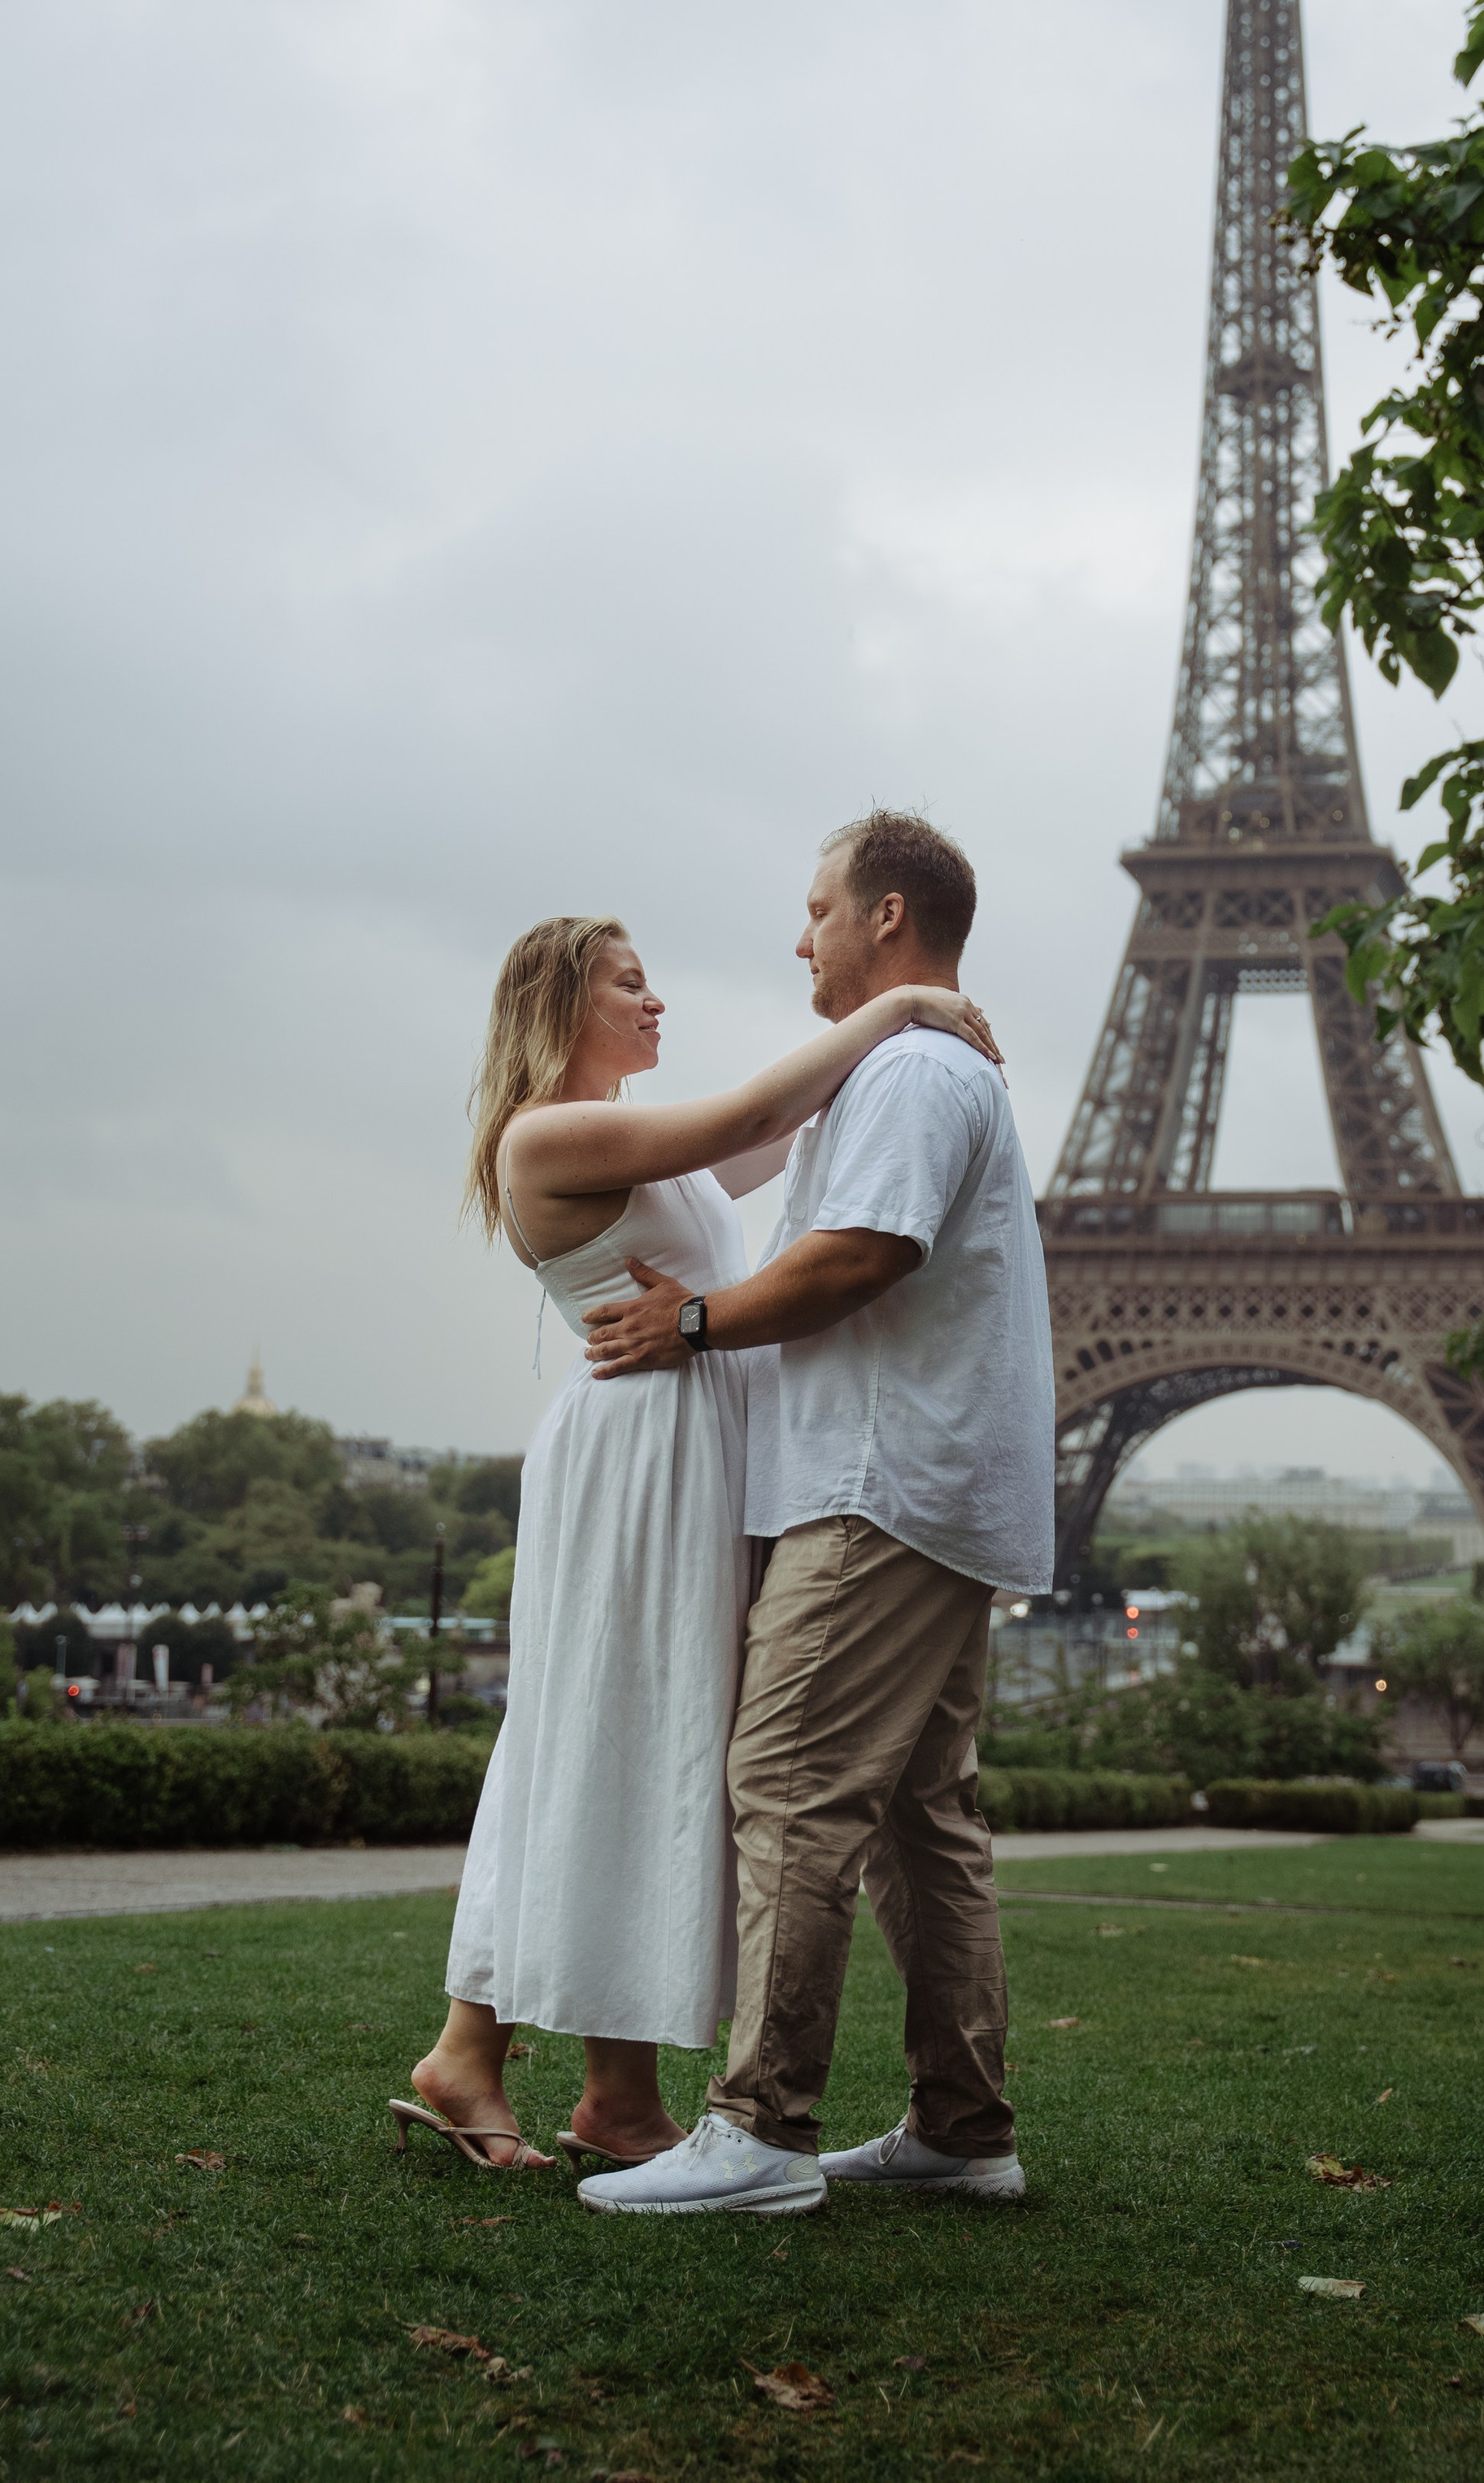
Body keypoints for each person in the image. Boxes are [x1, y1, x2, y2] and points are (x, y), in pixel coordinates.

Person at [394, 910, 1002, 2176]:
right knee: (619, 1733)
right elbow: (743, 1121)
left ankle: (601, 2090)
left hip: (686, 1449)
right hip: (640, 1462)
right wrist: (900, 1006)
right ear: (563, 1006)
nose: (657, 1001)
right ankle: (487, 2054)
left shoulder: (636, 1153)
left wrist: (890, 1041)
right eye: (632, 984)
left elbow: (778, 1140)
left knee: (644, 1740)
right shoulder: (552, 1134)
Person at [573, 812, 1057, 2217]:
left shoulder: (910, 1070)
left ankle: (761, 2128)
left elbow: (861, 1256)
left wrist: (697, 1323)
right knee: (923, 1821)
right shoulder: (908, 1065)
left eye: (817, 908)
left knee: (788, 1782)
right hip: (935, 1490)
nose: (801, 937)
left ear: (887, 918)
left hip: (876, 1488)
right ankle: (963, 2130)